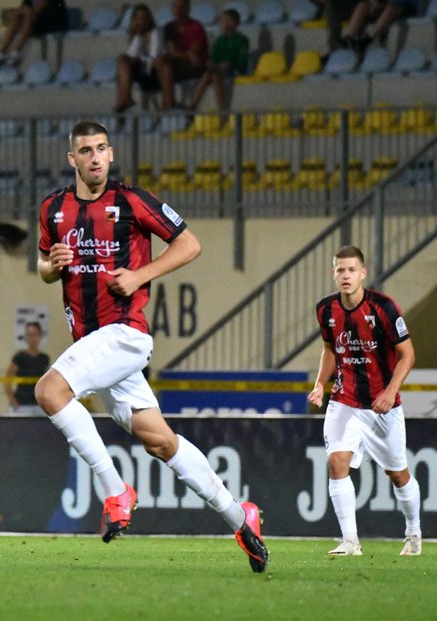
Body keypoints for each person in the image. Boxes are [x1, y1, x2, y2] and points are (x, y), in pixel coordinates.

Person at [35, 120, 269, 573]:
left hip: (124, 334)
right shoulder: (53, 208)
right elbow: (44, 266)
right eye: (86, 151)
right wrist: (52, 265)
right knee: (161, 442)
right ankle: (242, 519)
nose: (96, 157)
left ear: (111, 153)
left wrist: (142, 275)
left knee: (50, 392)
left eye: (102, 149)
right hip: (92, 344)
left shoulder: (131, 200)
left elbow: (190, 244)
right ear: (73, 159)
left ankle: (114, 489)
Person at [307, 245, 422, 557]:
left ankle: (413, 530)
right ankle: (350, 541)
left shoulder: (383, 307)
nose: (345, 275)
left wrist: (389, 391)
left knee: (397, 473)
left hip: (382, 405)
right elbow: (330, 349)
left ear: (362, 273)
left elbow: (407, 354)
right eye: (340, 270)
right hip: (345, 400)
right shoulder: (325, 309)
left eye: (351, 270)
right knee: (336, 462)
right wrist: (320, 384)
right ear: (334, 273)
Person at [187, 9, 248, 121]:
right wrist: (211, 63)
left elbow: (242, 61)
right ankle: (193, 105)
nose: (222, 23)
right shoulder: (220, 40)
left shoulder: (241, 40)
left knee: (214, 74)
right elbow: (214, 59)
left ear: (234, 23)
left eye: (226, 21)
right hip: (218, 71)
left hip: (234, 70)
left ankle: (221, 112)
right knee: (209, 74)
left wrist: (230, 64)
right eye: (222, 21)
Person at [154, 0, 208, 110]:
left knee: (163, 62)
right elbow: (173, 52)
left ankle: (167, 103)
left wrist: (187, 55)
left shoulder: (196, 26)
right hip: (179, 64)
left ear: (188, 9)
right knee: (164, 65)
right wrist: (188, 54)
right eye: (175, 7)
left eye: (181, 7)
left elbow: (195, 52)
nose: (178, 10)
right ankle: (169, 103)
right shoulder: (169, 27)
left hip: (196, 66)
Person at [0, 0, 69, 69]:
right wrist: (19, 15)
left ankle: (17, 52)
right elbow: (20, 11)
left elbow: (36, 11)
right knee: (17, 20)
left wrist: (23, 12)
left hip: (53, 23)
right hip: (36, 22)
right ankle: (1, 54)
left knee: (27, 14)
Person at [113, 4, 163, 114]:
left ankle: (124, 100)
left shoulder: (155, 32)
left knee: (123, 63)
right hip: (142, 71)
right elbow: (131, 55)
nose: (142, 21)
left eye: (144, 18)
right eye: (139, 18)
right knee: (122, 60)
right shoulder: (137, 35)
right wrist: (139, 36)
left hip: (155, 72)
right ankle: (125, 98)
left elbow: (154, 56)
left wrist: (139, 61)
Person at [340, 0, 420, 58]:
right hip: (386, 4)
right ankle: (349, 38)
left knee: (392, 7)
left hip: (405, 6)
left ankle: (366, 40)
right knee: (363, 5)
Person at [4, 321, 50, 415]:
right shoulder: (19, 357)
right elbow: (7, 380)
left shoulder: (44, 358)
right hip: (22, 404)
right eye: (29, 335)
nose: (32, 338)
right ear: (25, 337)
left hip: (39, 405)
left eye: (35, 335)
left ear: (40, 336)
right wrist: (13, 400)